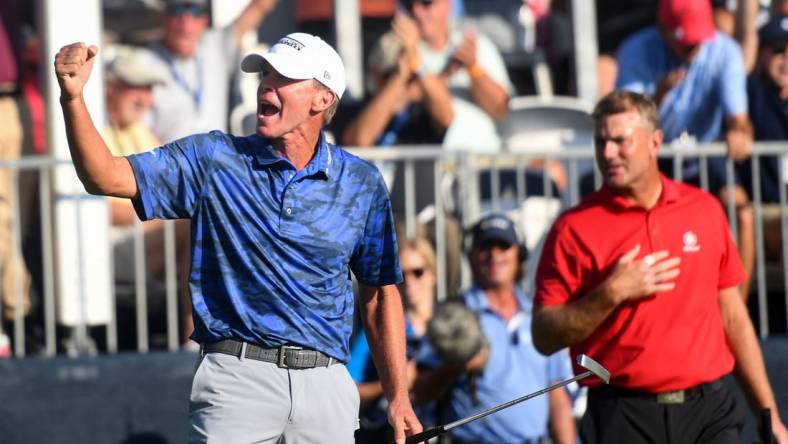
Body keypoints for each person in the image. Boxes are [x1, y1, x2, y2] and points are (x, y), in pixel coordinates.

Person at [54, 32, 421, 443]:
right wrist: (73, 99)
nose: (266, 84)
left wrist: (398, 396)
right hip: (237, 378)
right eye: (265, 74)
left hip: (327, 386)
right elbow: (104, 175)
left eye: (283, 78)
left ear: (322, 99)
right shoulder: (214, 158)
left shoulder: (361, 182)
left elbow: (380, 295)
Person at [532, 91, 788, 444]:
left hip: (709, 411)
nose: (607, 153)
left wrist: (768, 413)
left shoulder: (704, 209)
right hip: (623, 412)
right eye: (600, 141)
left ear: (654, 142)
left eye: (620, 141)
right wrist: (610, 293)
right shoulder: (572, 228)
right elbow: (544, 335)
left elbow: (733, 317)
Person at [615, 0, 756, 298]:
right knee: (640, 223)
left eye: (698, 39)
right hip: (653, 157)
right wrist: (658, 95)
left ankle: (737, 311)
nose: (694, 49)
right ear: (663, 29)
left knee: (742, 212)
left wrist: (739, 134)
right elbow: (625, 122)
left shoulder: (723, 50)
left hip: (705, 152)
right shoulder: (636, 49)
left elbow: (739, 121)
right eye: (686, 41)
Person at [412, 213, 576, 444]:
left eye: (503, 246)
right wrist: (456, 365)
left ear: (520, 255)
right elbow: (420, 391)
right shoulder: (454, 315)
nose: (494, 255)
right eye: (485, 247)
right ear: (471, 256)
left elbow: (558, 396)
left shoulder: (540, 316)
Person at [103, 47, 193, 346]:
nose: (146, 98)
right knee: (194, 225)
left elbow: (171, 189)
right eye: (136, 88)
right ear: (111, 88)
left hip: (143, 238)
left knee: (207, 222)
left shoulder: (140, 131)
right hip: (106, 249)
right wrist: (159, 210)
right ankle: (194, 337)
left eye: (149, 89)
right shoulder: (95, 133)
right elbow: (101, 212)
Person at [145, 0, 277, 143]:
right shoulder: (144, 63)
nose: (186, 23)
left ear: (205, 20)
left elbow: (260, 7)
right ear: (163, 18)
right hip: (171, 162)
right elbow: (136, 130)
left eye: (195, 12)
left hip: (217, 161)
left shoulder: (215, 46)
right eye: (177, 11)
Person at [349, 236, 437, 443]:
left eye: (418, 272)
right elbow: (350, 390)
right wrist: (395, 382)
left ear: (433, 274)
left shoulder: (449, 326)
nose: (411, 282)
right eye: (402, 276)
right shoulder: (383, 328)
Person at [740, 16, 788, 261]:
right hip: (764, 208)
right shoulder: (749, 93)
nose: (786, 59)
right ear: (762, 54)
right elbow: (746, 37)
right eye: (779, 49)